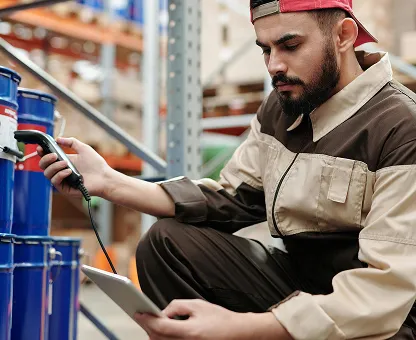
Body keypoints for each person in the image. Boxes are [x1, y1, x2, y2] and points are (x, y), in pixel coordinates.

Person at [39, 0, 416, 338]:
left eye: (290, 45)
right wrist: (109, 182)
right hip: (302, 284)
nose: (274, 66)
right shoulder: (284, 106)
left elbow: (384, 292)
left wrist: (240, 327)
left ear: (344, 36)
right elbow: (234, 198)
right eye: (265, 49)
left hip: (382, 320)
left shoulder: (400, 126)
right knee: (166, 243)